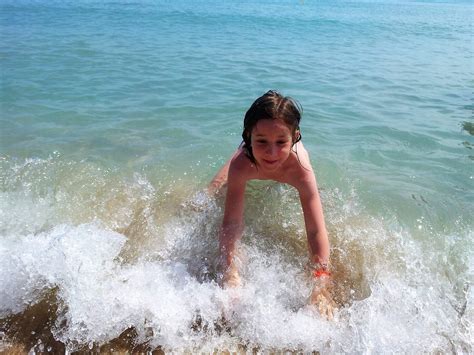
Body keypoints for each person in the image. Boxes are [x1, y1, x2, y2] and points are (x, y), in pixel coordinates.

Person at [209, 90, 334, 318]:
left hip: (291, 161)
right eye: (262, 141)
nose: (271, 152)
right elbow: (231, 223)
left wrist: (321, 284)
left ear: (295, 137)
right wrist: (230, 271)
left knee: (312, 195)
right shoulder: (242, 163)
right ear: (248, 136)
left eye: (281, 142)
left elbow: (316, 231)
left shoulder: (301, 171)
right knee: (216, 187)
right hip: (247, 157)